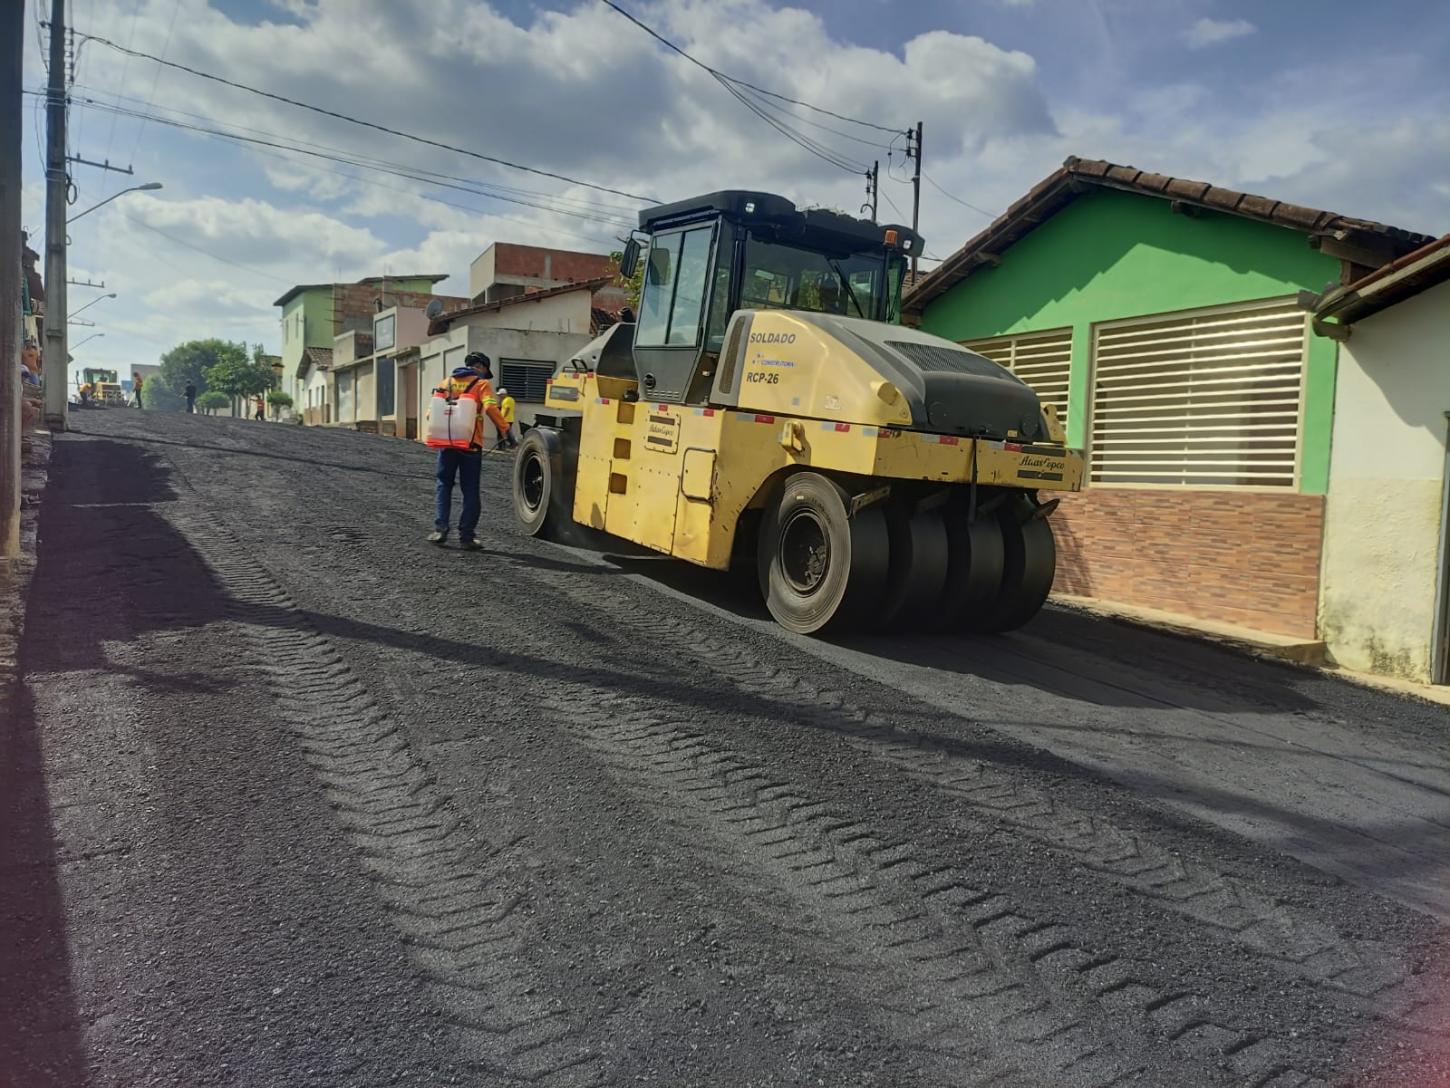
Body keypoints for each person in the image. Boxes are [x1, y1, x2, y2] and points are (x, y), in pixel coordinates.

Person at [425, 351, 510, 550]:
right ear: (480, 366)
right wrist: (506, 430)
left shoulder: (446, 383)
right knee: (470, 489)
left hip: (446, 443)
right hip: (471, 446)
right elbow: (490, 408)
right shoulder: (481, 385)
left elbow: (431, 413)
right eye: (485, 371)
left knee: (443, 485)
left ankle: (440, 529)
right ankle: (467, 537)